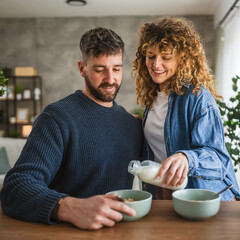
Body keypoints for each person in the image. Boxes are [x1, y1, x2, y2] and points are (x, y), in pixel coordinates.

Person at [0, 27, 143, 230]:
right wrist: (70, 207)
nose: (111, 79)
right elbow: (15, 188)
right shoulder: (56, 118)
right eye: (100, 69)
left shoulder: (131, 124)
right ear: (82, 68)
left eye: (117, 69)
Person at [132, 16, 240, 201]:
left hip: (203, 197)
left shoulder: (197, 97)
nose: (156, 64)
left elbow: (218, 160)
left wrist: (187, 158)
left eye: (166, 57)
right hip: (167, 193)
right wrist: (139, 125)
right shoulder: (153, 98)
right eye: (150, 56)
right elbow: (163, 141)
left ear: (182, 60)